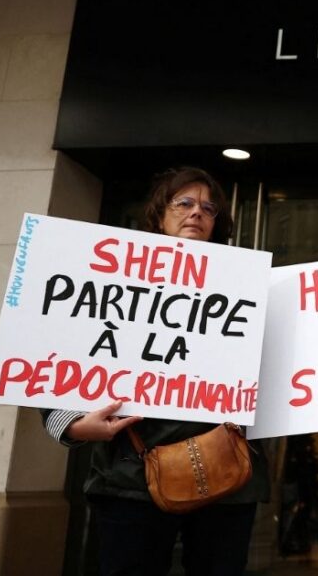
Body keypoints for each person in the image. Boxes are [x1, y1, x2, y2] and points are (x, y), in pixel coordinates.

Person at [41, 166, 270, 576]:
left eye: (208, 207)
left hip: (227, 480)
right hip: (131, 478)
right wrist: (74, 426)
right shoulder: (110, 276)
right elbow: (56, 358)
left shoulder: (251, 289)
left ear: (218, 222)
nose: (196, 212)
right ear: (159, 214)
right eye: (183, 202)